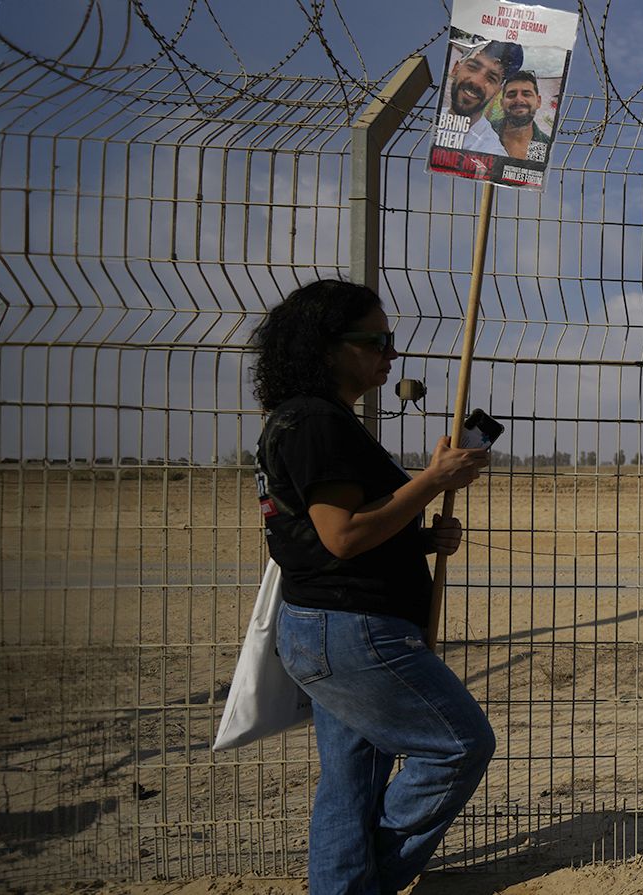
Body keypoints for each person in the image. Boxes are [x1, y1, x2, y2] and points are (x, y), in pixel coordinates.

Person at [251, 279, 495, 895]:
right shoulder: (314, 423)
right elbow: (343, 536)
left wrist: (417, 539)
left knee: (351, 781)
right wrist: (432, 481)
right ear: (328, 347)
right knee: (460, 745)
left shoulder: (313, 420)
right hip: (353, 631)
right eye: (377, 341)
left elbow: (327, 531)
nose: (390, 354)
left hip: (330, 625)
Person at [437, 39, 523, 134]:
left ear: (497, 91)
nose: (477, 82)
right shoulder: (435, 116)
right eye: (473, 67)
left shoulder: (489, 147)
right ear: (455, 68)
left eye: (491, 78)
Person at [464, 70, 553, 161]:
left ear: (538, 102)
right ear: (502, 103)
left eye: (526, 94)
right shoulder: (483, 132)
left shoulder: (549, 147)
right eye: (511, 95)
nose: (518, 99)